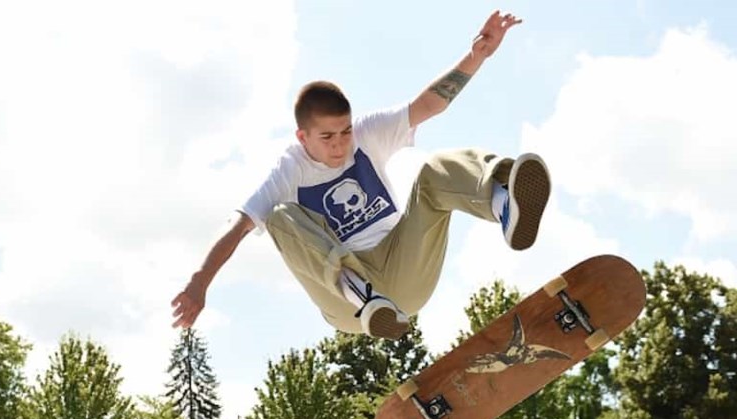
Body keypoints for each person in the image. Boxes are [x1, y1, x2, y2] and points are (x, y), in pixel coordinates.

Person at [172, 11, 550, 341]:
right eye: (327, 138)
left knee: (432, 170)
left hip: (404, 268)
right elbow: (237, 226)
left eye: (345, 132)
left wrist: (475, 56)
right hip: (347, 304)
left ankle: (505, 202)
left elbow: (428, 104)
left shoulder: (367, 133)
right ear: (302, 137)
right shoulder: (287, 171)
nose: (340, 146)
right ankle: (364, 295)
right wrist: (198, 282)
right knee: (279, 217)